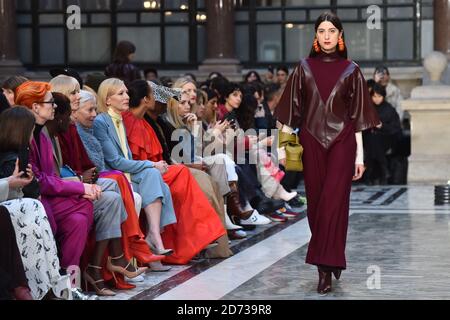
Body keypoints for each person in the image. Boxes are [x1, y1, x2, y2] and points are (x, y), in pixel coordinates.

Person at [275, 12, 380, 295]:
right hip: (310, 143)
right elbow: (288, 113)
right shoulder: (303, 68)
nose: (327, 35)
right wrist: (283, 148)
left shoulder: (352, 70)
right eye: (321, 30)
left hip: (343, 143)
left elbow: (358, 118)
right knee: (317, 205)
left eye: (332, 30)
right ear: (316, 37)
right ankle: (331, 256)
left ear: (340, 35)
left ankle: (325, 268)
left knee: (334, 203)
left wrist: (359, 157)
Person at [364, 83, 402, 185]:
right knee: (373, 139)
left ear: (383, 96)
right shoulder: (367, 109)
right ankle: (384, 169)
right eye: (374, 96)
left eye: (379, 96)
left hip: (386, 138)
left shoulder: (389, 109)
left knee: (374, 140)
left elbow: (396, 128)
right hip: (369, 138)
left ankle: (369, 173)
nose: (376, 99)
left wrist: (382, 126)